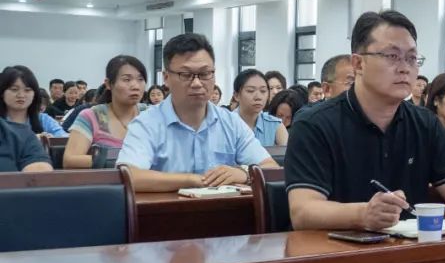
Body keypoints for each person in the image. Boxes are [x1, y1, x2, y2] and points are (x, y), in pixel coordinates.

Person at [285, 10, 445, 231]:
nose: (404, 68)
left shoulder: (425, 123)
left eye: (412, 58)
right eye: (392, 56)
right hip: (331, 248)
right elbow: (303, 212)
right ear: (358, 64)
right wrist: (362, 215)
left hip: (408, 248)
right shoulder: (314, 124)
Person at [117, 33, 277, 192]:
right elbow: (130, 175)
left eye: (205, 74)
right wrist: (192, 180)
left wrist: (243, 174)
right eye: (186, 75)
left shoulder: (230, 122)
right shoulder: (146, 123)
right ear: (166, 78)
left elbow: (271, 169)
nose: (197, 83)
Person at [63, 56, 148, 169]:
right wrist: (117, 160)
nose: (135, 86)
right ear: (108, 84)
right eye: (127, 80)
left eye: (140, 79)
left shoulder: (150, 114)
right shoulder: (91, 116)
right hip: (107, 180)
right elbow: (70, 160)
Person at [0, 66, 67, 138]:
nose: (21, 95)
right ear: (2, 92)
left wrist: (52, 138)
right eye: (14, 89)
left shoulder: (43, 119)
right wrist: (33, 139)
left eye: (27, 90)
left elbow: (64, 137)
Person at [230, 69, 287, 147]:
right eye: (251, 91)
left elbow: (286, 153)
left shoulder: (275, 125)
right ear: (236, 95)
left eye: (263, 91)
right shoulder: (225, 125)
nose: (258, 97)